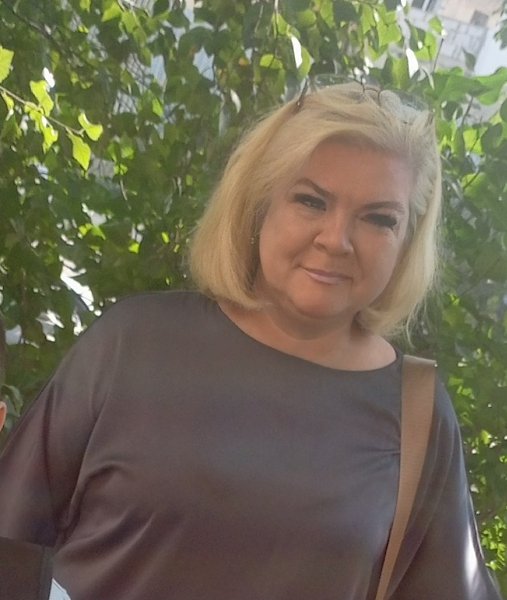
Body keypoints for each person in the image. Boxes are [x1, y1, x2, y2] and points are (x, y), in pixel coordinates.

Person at [0, 81, 503, 600]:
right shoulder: (133, 345)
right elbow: (8, 547)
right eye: (311, 201)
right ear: (259, 205)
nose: (336, 240)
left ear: (407, 240)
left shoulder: (417, 414)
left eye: (379, 219)